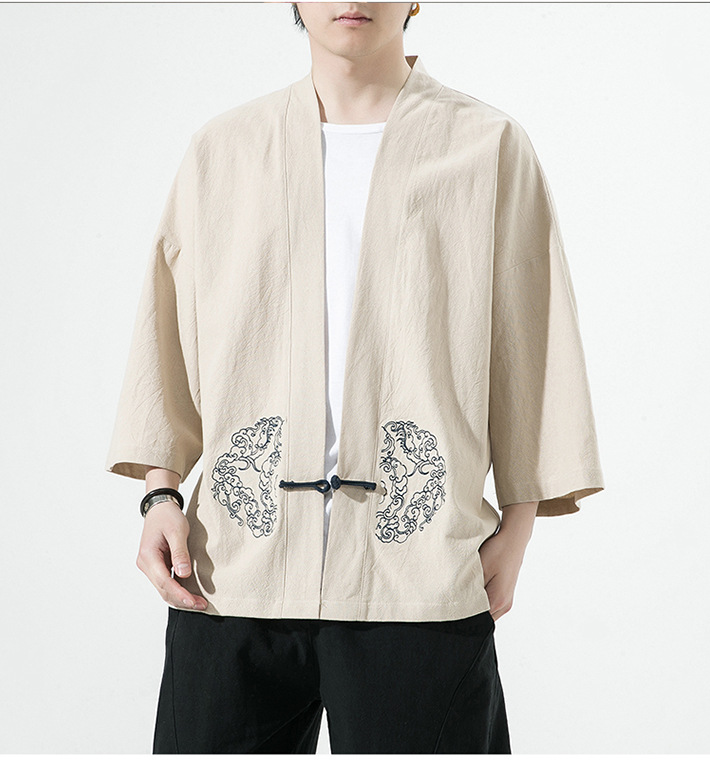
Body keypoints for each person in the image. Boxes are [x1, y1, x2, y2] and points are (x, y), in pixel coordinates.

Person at [105, 2, 605, 754]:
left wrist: (520, 519)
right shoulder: (224, 150)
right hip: (233, 568)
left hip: (419, 570)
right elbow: (167, 331)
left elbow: (531, 332)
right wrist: (160, 491)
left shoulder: (488, 146)